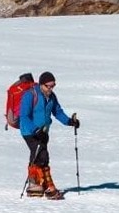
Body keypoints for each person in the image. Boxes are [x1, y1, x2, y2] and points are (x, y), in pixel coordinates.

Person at [17, 71, 79, 200]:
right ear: (41, 84)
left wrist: (69, 122)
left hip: (44, 132)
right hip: (29, 131)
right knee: (42, 155)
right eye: (48, 86)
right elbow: (24, 116)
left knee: (38, 156)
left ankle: (35, 185)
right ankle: (48, 187)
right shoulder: (30, 95)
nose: (50, 89)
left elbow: (57, 112)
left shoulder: (51, 97)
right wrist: (35, 130)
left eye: (53, 86)